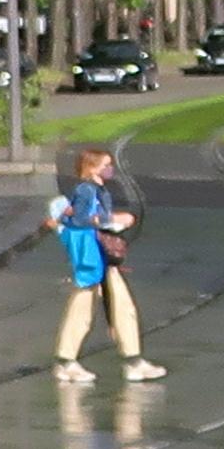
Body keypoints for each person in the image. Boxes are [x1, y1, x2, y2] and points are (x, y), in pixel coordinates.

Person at [50, 144, 160, 382]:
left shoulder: (96, 190)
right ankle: (67, 362)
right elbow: (80, 220)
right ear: (91, 169)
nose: (111, 169)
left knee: (120, 306)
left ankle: (132, 360)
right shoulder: (86, 190)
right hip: (92, 256)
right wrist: (113, 219)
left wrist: (111, 222)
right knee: (84, 307)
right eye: (106, 165)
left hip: (100, 256)